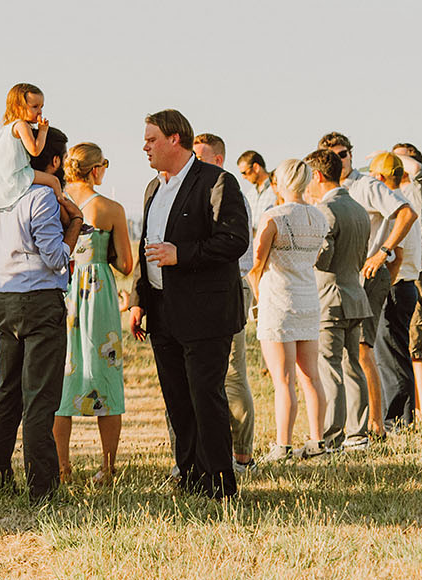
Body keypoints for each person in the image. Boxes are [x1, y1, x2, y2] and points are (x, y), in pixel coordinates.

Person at [130, 109, 248, 500]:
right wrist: (138, 301)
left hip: (206, 313)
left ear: (174, 139)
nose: (144, 146)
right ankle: (191, 476)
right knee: (177, 401)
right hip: (162, 311)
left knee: (205, 397)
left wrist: (183, 254)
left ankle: (220, 484)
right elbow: (146, 248)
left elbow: (234, 241)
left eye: (151, 139)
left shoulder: (217, 182)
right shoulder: (152, 189)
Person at [0, 126, 82, 502]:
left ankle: (0, 479)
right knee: (40, 397)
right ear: (53, 161)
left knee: (7, 392)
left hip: (6, 299)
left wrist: (11, 260)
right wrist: (76, 225)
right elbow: (55, 258)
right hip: (40, 302)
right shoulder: (41, 197)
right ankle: (43, 489)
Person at [317, 132, 414, 440]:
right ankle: (357, 426)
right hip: (343, 279)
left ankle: (375, 425)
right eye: (332, 156)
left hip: (368, 275)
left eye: (344, 154)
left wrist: (383, 252)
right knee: (350, 351)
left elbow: (406, 213)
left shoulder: (366, 186)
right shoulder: (324, 191)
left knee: (362, 349)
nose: (340, 160)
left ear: (351, 154)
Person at [53, 143, 133, 486]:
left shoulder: (53, 201)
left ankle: (62, 467)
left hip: (62, 288)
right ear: (96, 169)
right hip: (98, 294)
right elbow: (127, 264)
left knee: (60, 375)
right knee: (105, 373)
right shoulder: (110, 208)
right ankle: (107, 466)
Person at [249, 159, 329, 462]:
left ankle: (282, 445)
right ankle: (317, 441)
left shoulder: (274, 217)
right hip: (309, 300)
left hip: (278, 301)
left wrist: (255, 293)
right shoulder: (319, 218)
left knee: (283, 381)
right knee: (311, 377)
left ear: (280, 183)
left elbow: (257, 262)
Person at [192, 133, 256, 471]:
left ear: (219, 160)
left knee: (232, 373)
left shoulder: (231, 194)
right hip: (201, 292)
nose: (195, 162)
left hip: (231, 286)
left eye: (201, 157)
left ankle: (243, 454)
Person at [305, 148, 372, 452]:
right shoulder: (359, 209)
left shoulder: (325, 211)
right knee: (353, 366)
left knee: (330, 367)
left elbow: (323, 260)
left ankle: (332, 437)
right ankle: (358, 434)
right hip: (356, 296)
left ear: (317, 175)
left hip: (330, 298)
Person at [365, 152, 420, 427]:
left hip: (397, 287)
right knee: (393, 354)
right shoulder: (402, 204)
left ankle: (397, 419)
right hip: (405, 287)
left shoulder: (398, 215)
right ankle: (402, 416)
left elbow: (396, 258)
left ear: (382, 178)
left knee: (390, 357)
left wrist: (383, 288)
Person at [392, 143, 422, 424]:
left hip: (421, 275)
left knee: (419, 350)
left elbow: (418, 171)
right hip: (403, 276)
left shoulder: (421, 191)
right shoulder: (396, 193)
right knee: (404, 348)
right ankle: (408, 413)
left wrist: (394, 158)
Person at [0, 83, 64, 217]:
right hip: (15, 176)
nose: (39, 112)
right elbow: (35, 150)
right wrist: (43, 131)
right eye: (35, 107)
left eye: (41, 107)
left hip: (3, 178)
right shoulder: (21, 125)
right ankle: (64, 215)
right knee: (54, 181)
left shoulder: (6, 128)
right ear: (18, 108)